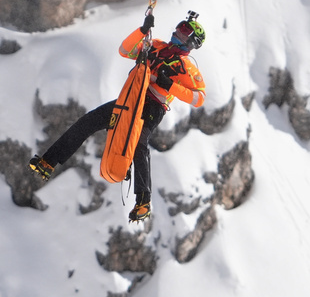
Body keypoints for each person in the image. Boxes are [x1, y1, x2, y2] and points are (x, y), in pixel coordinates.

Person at [28, 11, 207, 222]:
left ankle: (143, 202)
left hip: (152, 106)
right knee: (88, 121)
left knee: (139, 144)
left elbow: (199, 98)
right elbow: (125, 50)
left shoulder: (187, 68)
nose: (177, 32)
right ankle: (48, 162)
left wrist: (170, 86)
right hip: (131, 97)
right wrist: (142, 31)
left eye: (184, 32)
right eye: (179, 27)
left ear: (192, 42)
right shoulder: (156, 46)